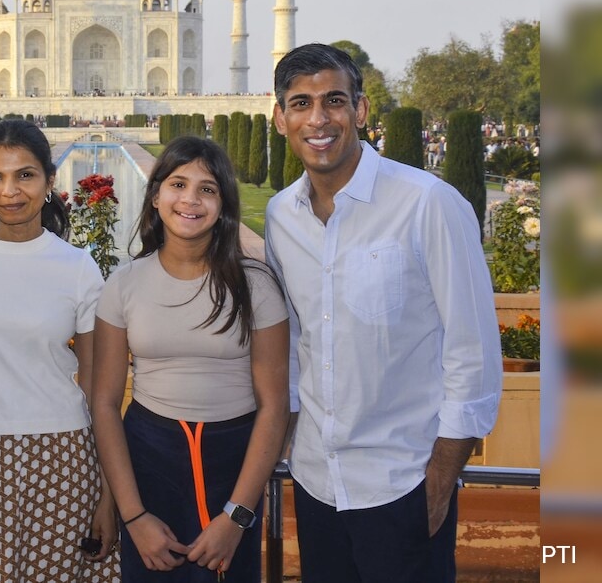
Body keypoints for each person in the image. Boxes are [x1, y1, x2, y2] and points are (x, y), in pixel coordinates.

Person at [263, 43, 502, 582]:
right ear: (280, 119)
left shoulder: (427, 203)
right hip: (317, 483)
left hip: (403, 483)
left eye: (334, 101)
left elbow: (473, 352)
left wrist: (439, 481)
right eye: (301, 104)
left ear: (361, 110)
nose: (318, 119)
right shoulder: (282, 216)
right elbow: (297, 339)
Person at [0, 119, 119, 582]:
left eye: (25, 175)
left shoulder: (76, 267)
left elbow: (98, 391)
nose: (9, 192)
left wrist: (108, 495)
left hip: (63, 456)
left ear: (50, 181)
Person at [92, 136, 289, 581]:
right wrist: (133, 516)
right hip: (150, 459)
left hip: (234, 464)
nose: (191, 200)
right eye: (178, 184)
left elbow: (275, 406)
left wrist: (237, 516)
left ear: (223, 204)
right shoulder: (123, 285)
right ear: (156, 195)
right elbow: (104, 403)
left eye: (207, 189)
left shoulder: (255, 285)